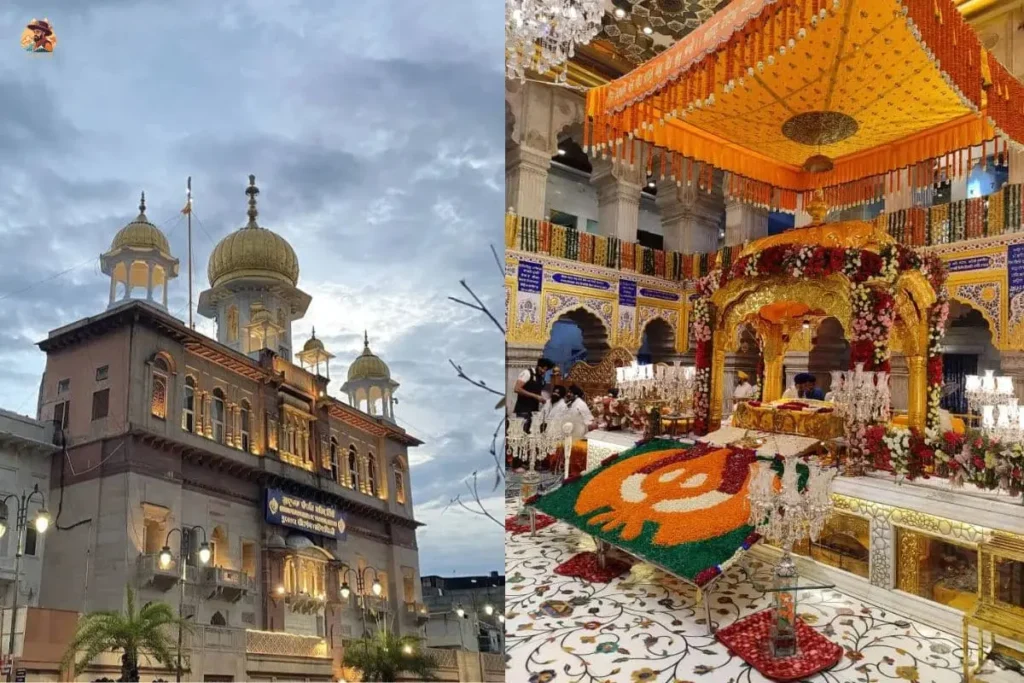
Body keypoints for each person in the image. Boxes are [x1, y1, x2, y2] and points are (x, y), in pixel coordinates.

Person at [513, 357, 555, 432]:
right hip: (523, 410)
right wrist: (535, 396)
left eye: (546, 370)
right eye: (543, 369)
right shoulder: (527, 373)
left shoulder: (541, 378)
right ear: (538, 366)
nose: (544, 371)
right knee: (521, 432)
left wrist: (541, 398)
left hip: (534, 411)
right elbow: (517, 389)